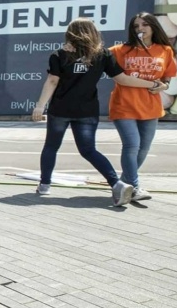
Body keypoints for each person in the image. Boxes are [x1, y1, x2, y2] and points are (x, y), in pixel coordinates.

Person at [31, 18, 166, 205]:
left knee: (51, 146)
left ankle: (44, 185)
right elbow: (123, 79)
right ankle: (117, 184)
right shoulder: (101, 54)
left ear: (70, 33)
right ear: (93, 32)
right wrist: (153, 84)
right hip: (87, 111)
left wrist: (40, 106)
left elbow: (52, 81)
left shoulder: (60, 54)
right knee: (88, 150)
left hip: (60, 109)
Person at [108, 13, 177, 203]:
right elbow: (110, 69)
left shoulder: (165, 50)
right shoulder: (119, 50)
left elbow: (166, 79)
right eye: (136, 26)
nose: (140, 29)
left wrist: (163, 86)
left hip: (150, 107)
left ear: (154, 27)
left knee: (143, 149)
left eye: (145, 25)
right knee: (132, 146)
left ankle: (123, 185)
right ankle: (136, 187)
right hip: (124, 105)